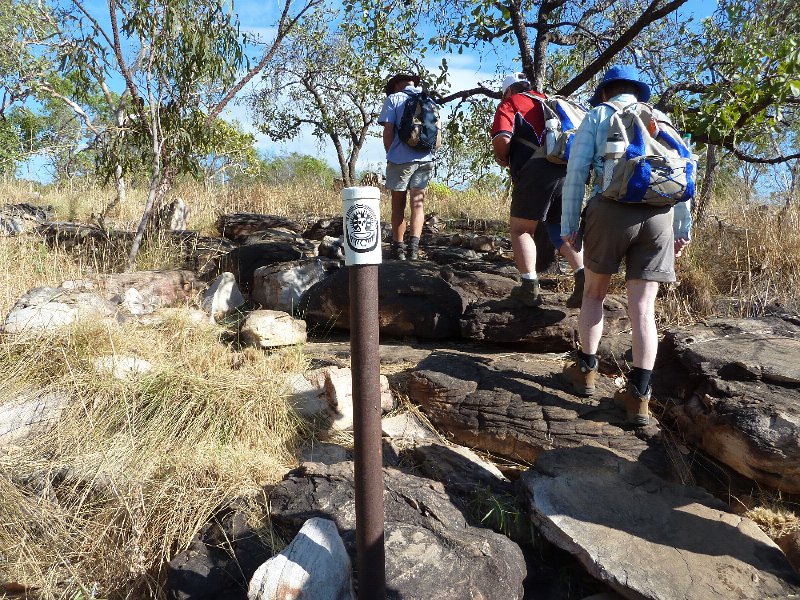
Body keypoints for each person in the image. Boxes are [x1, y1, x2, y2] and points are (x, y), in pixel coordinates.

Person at [560, 64, 693, 425]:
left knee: (593, 293)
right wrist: (682, 227)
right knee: (643, 309)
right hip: (659, 215)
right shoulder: (661, 119)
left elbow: (576, 172)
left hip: (611, 210)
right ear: (637, 91)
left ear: (606, 91)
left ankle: (585, 372)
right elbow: (681, 170)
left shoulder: (598, 114)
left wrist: (569, 224)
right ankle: (639, 397)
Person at [490, 72, 585, 308]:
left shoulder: (511, 103)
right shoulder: (549, 101)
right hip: (568, 170)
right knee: (560, 229)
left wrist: (502, 158)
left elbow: (502, 138)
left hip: (537, 171)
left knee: (522, 229)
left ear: (509, 91)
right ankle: (583, 275)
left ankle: (528, 287)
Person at [378, 72, 436, 260]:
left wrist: (389, 153)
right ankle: (413, 249)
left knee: (398, 205)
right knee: (418, 205)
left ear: (396, 85)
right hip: (425, 158)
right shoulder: (429, 99)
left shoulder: (393, 99)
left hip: (400, 160)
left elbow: (388, 130)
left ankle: (398, 248)